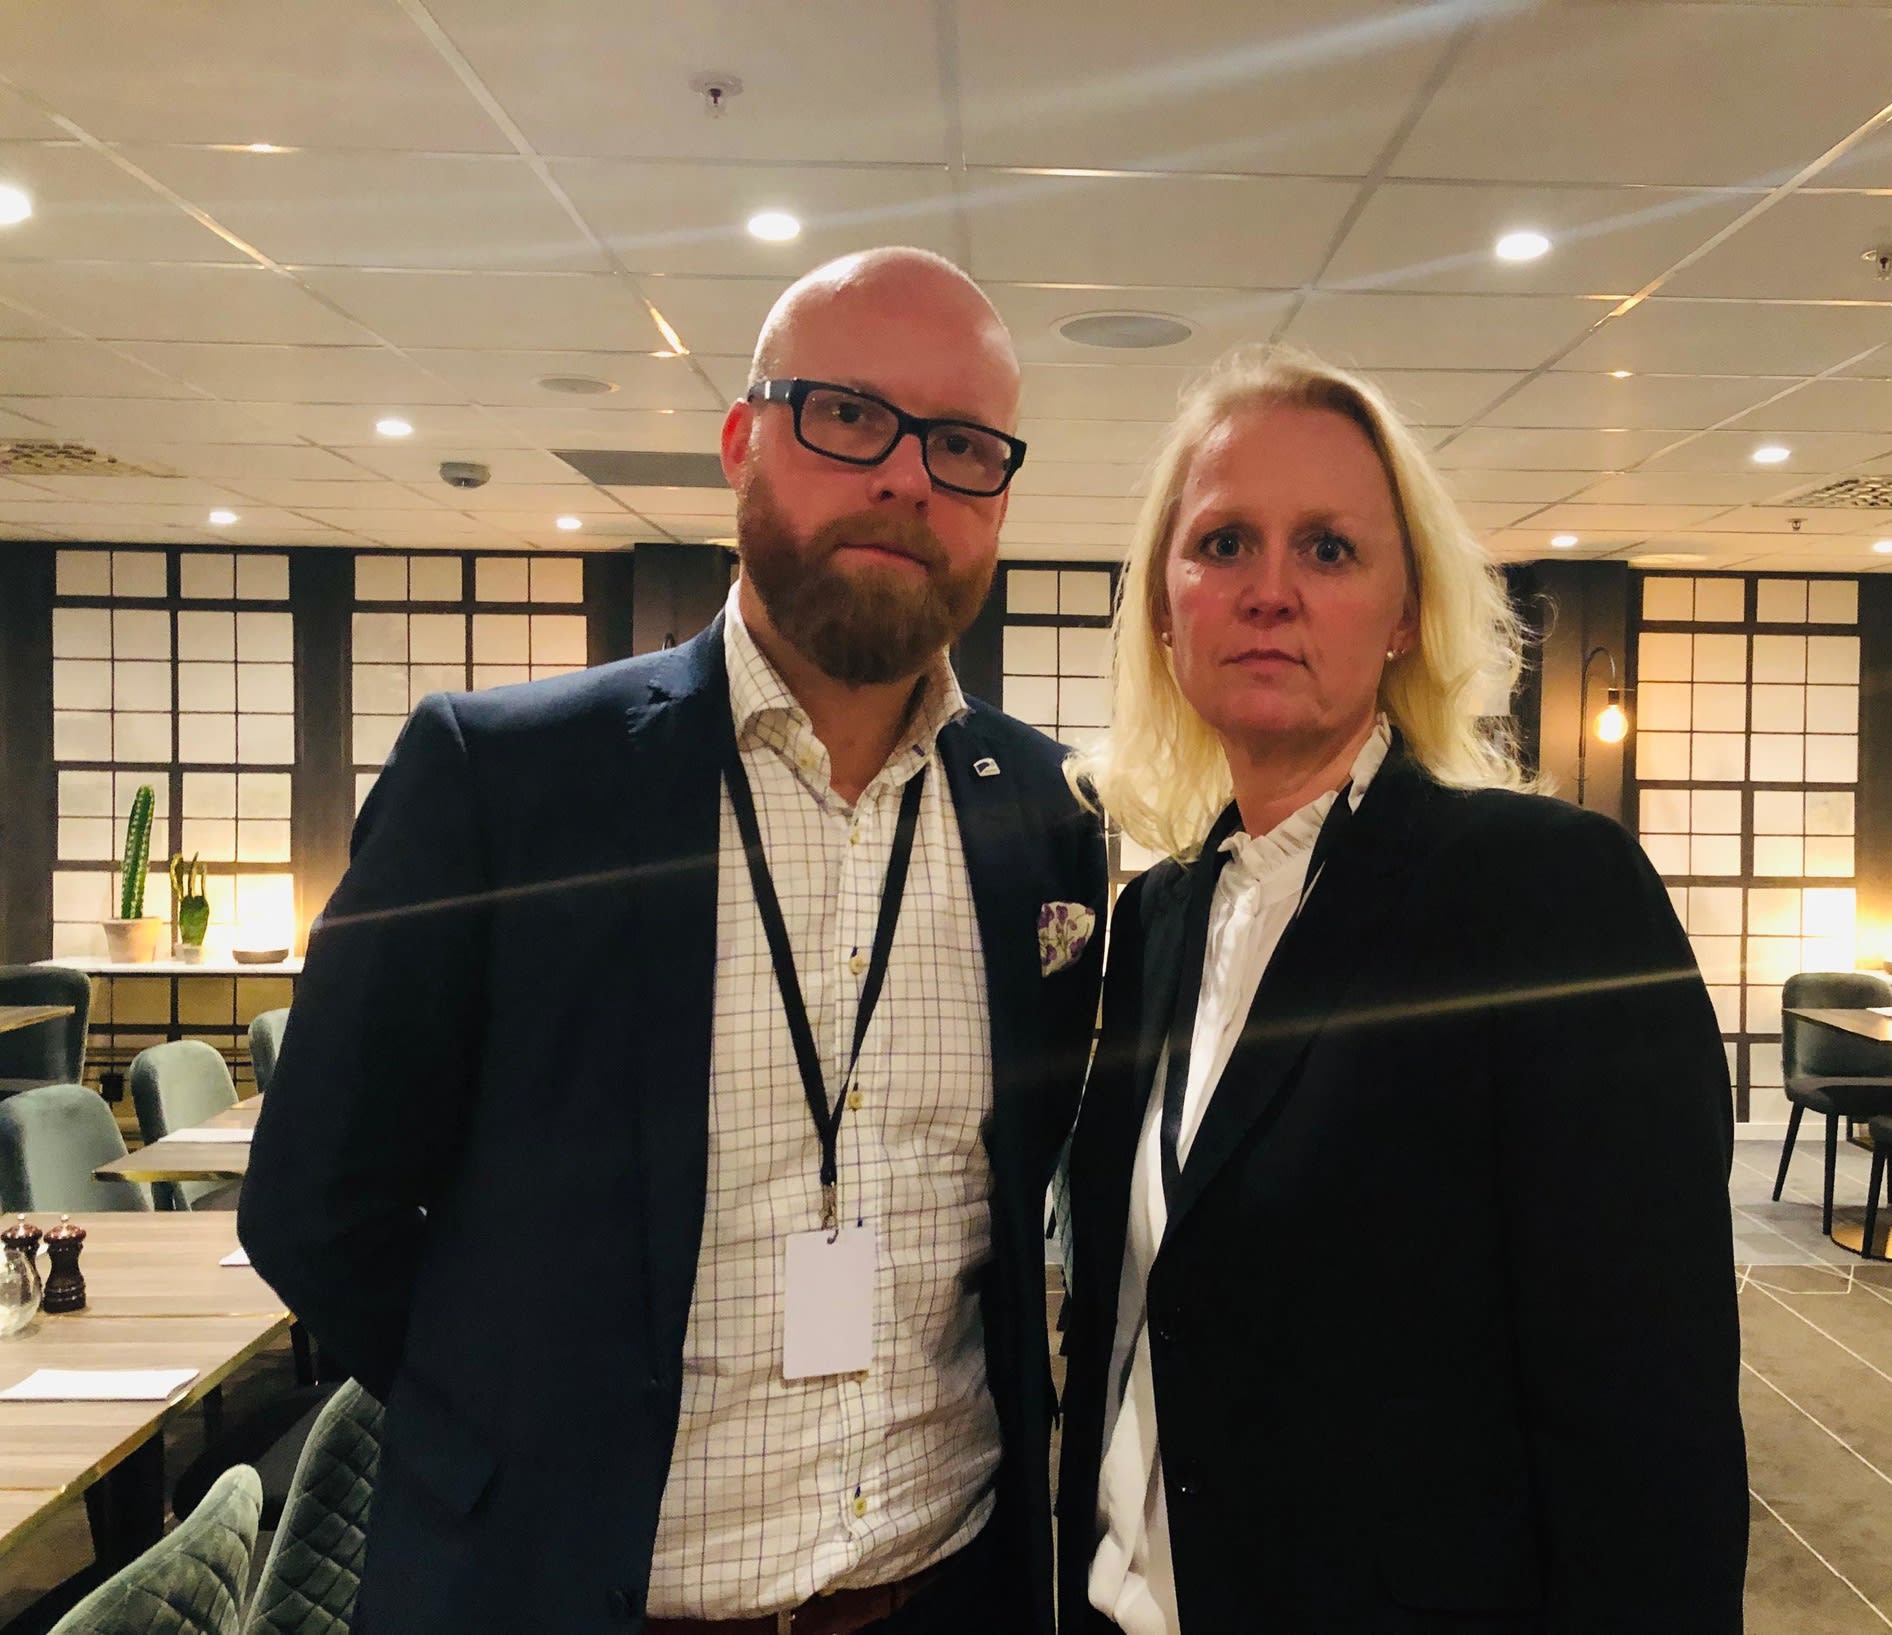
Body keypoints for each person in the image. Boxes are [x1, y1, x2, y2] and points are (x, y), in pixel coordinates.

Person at [240, 247, 1108, 1635]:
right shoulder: (502, 783)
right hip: (569, 1599)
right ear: (741, 442)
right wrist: (516, 1432)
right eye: (848, 415)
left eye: (961, 445)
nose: (906, 477)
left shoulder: (1046, 819)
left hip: (945, 1592)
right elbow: (314, 1207)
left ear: (1000, 496)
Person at [1054, 346, 1747, 1635]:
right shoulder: (1157, 920)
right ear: (1163, 608)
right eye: (1223, 544)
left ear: (1406, 614)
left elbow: (1652, 1424)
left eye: (1328, 549)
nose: (1269, 590)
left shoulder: (1544, 898)